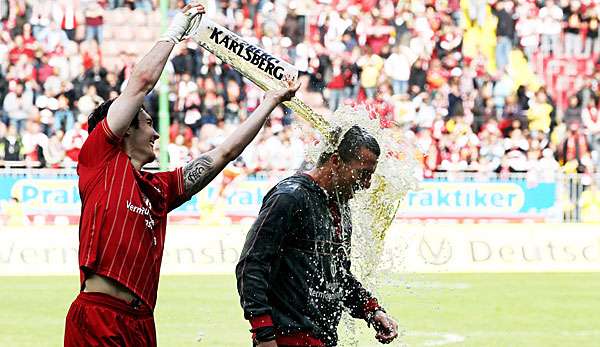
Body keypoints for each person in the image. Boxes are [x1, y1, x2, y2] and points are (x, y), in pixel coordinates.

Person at [64, 3, 300, 346]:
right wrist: (176, 32)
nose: (156, 133)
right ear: (123, 130)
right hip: (101, 317)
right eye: (147, 123)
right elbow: (141, 83)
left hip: (142, 322)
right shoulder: (100, 160)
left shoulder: (158, 189)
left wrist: (270, 102)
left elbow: (223, 154)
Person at [236, 126, 398, 347]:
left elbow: (338, 276)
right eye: (362, 173)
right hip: (286, 338)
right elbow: (251, 266)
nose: (367, 184)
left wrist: (371, 310)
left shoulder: (341, 208)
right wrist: (264, 334)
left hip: (322, 339)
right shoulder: (289, 197)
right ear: (335, 161)